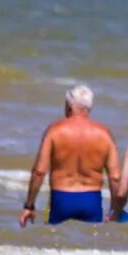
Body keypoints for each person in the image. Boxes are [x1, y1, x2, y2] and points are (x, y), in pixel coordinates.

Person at [20, 85, 120, 227]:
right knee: (90, 247)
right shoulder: (104, 134)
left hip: (61, 198)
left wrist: (29, 205)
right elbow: (115, 177)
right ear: (89, 108)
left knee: (55, 246)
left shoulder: (55, 131)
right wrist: (114, 211)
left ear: (68, 105)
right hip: (91, 200)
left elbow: (39, 172)